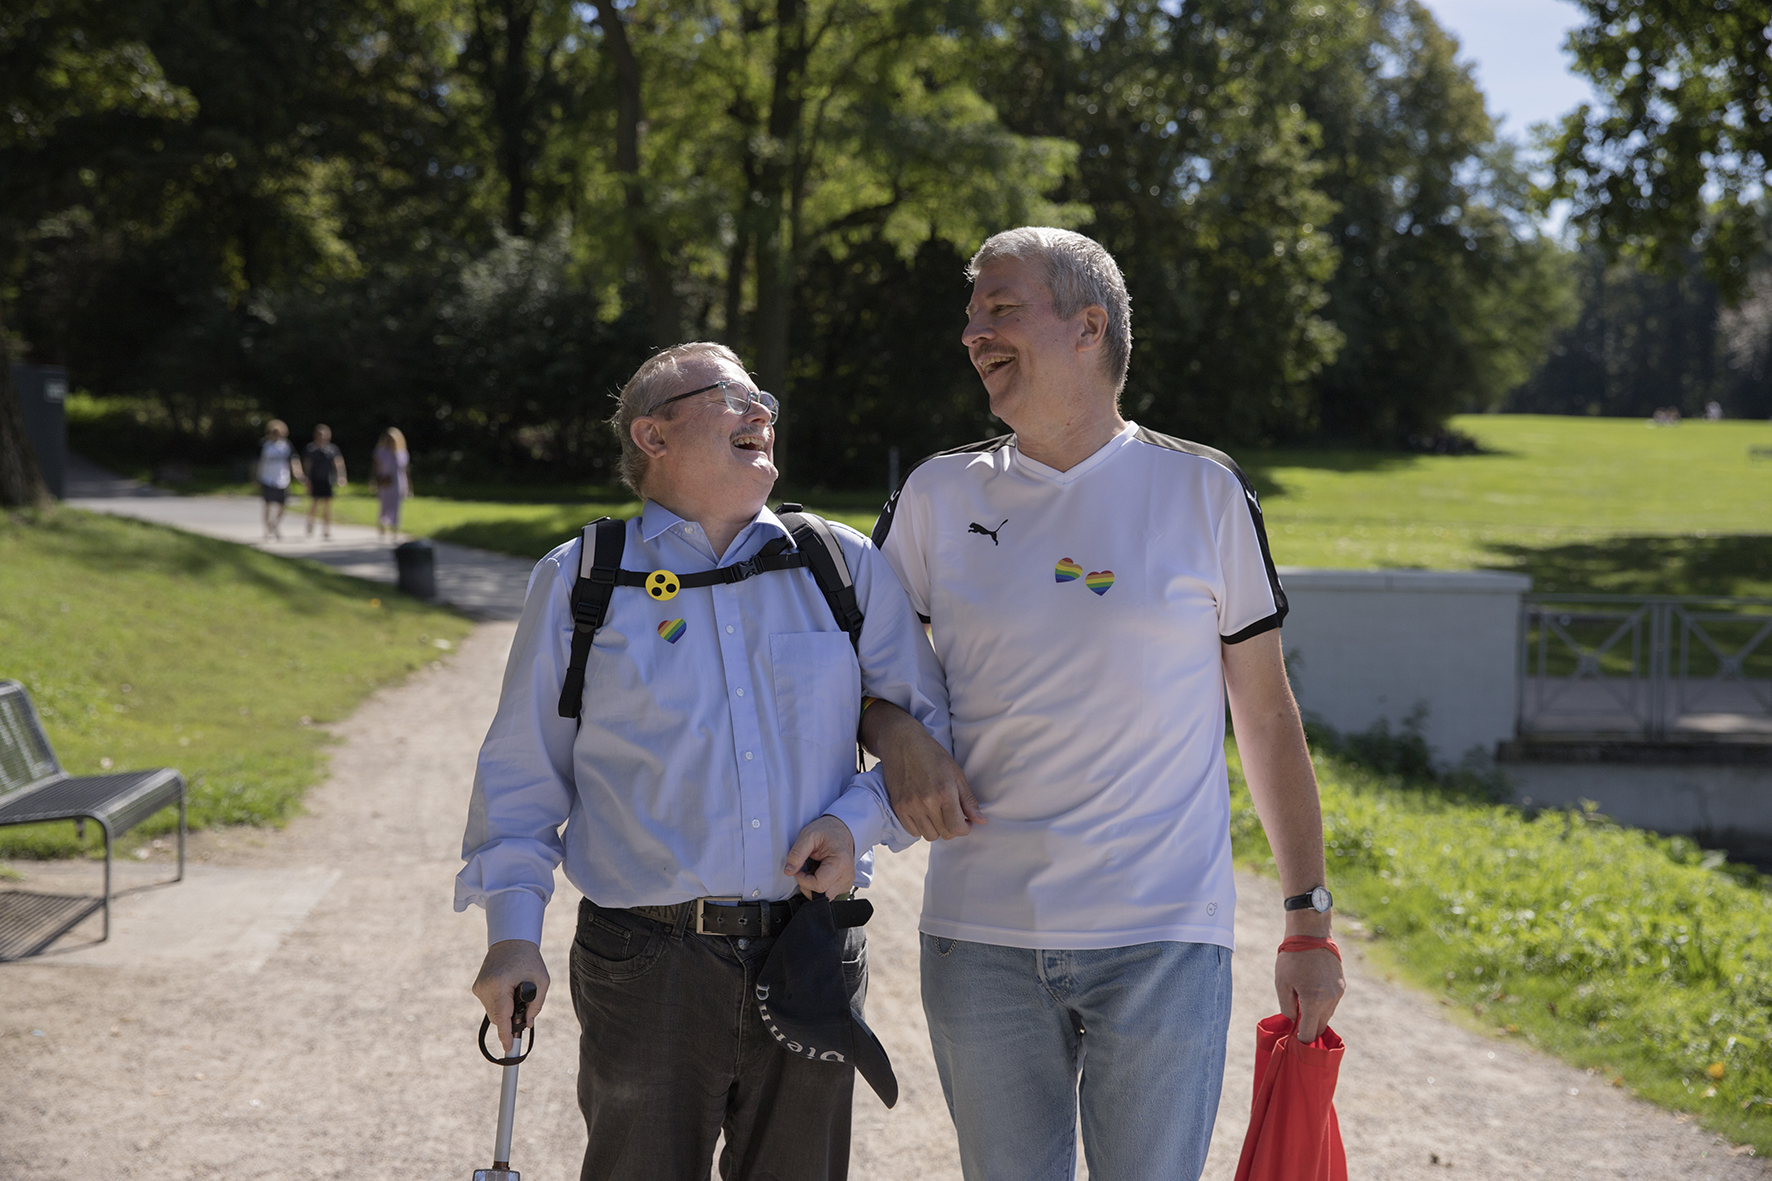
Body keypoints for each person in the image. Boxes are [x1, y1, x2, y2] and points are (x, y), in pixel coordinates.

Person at [859, 227, 1346, 1180]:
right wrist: (898, 734)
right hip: (981, 935)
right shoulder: (935, 492)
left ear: (1091, 326)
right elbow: (861, 681)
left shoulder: (1202, 488)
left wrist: (1308, 924)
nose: (971, 333)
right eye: (971, 315)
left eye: (999, 308)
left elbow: (1267, 715)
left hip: (1162, 939)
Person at [457, 341, 950, 1181]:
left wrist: (854, 818)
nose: (762, 411)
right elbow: (521, 778)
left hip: (811, 948)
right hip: (644, 963)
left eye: (766, 399)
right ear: (653, 434)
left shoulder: (839, 564)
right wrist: (511, 938)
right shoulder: (582, 579)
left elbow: (931, 731)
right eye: (733, 396)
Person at [255, 419, 299, 541]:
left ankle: (274, 524)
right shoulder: (264, 445)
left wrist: (297, 472)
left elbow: (294, 459)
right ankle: (266, 529)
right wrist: (255, 477)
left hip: (282, 478)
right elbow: (257, 462)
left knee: (282, 505)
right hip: (267, 478)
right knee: (268, 505)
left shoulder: (286, 445)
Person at [301, 424, 347, 539]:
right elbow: (307, 465)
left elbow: (338, 463)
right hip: (315, 479)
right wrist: (307, 479)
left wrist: (341, 476)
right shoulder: (311, 449)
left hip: (327, 479)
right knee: (314, 503)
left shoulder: (332, 449)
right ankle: (310, 523)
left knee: (327, 505)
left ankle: (326, 529)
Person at [369, 427, 411, 540]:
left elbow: (405, 470)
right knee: (384, 505)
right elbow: (376, 469)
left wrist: (409, 487)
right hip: (385, 482)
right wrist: (374, 481)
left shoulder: (402, 453)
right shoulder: (380, 452)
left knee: (396, 506)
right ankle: (382, 525)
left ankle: (395, 529)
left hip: (398, 482)